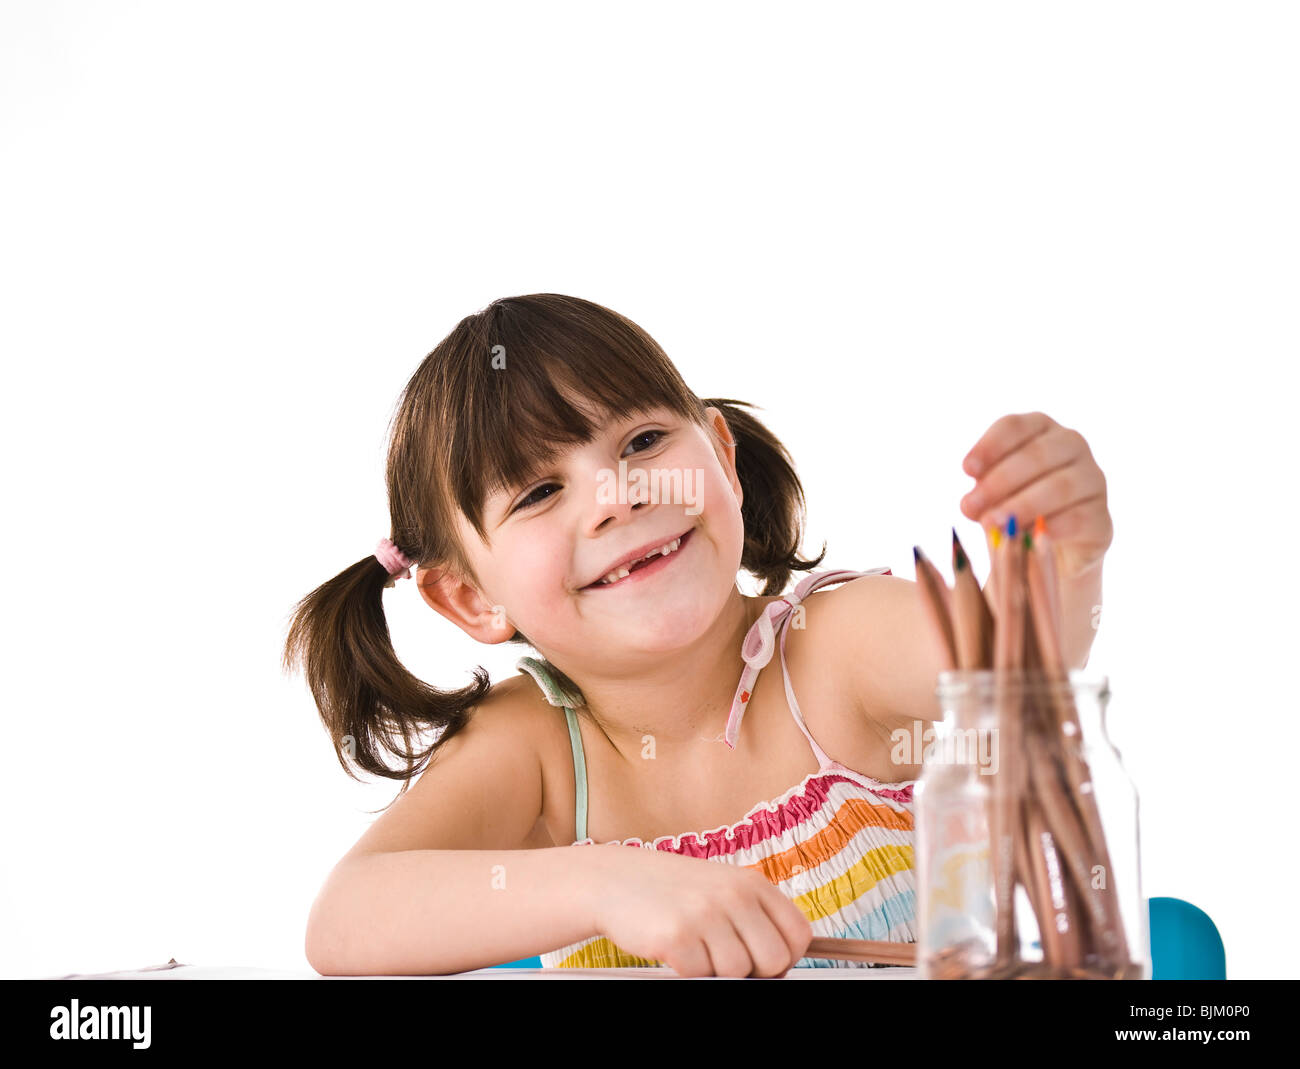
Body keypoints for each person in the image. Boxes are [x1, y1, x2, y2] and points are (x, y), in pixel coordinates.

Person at [285, 293, 1112, 977]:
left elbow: (1023, 654)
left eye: (643, 442)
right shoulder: (533, 745)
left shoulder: (829, 648)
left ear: (719, 454)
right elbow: (345, 922)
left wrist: (1063, 551)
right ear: (469, 597)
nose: (617, 497)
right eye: (539, 492)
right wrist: (604, 881)